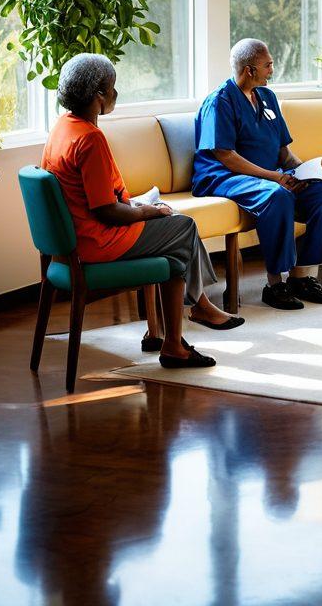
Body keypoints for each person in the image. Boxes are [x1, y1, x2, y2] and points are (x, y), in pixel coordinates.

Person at [41, 53, 243, 372]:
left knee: (175, 252)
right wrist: (149, 212)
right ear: (99, 96)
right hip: (99, 241)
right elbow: (107, 211)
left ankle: (173, 342)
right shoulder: (90, 139)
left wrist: (140, 206)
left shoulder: (62, 128)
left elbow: (92, 197)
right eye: (112, 88)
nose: (116, 94)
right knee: (184, 227)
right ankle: (200, 307)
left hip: (73, 243)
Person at [191, 38, 322, 310]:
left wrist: (313, 169)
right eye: (268, 65)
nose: (272, 69)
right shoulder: (220, 102)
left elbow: (284, 152)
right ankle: (275, 285)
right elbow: (225, 155)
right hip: (224, 176)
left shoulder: (267, 97)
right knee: (278, 196)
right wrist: (274, 177)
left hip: (268, 175)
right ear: (250, 70)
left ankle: (301, 278)